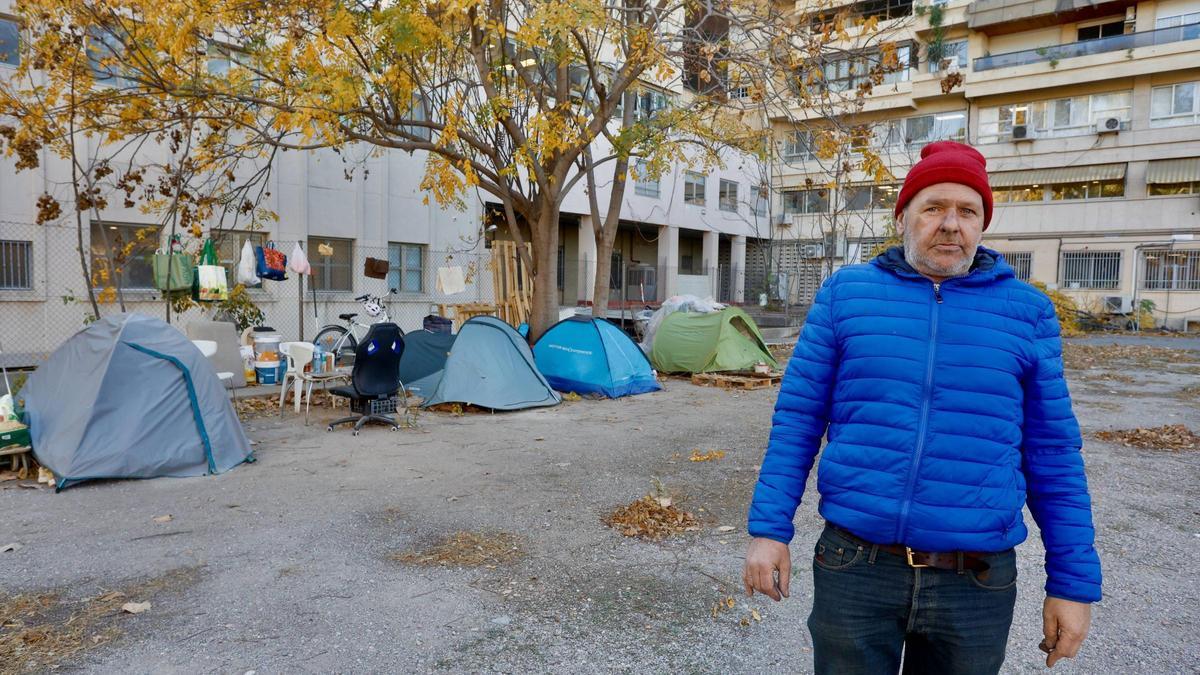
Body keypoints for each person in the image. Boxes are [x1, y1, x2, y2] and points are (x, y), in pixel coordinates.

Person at [743, 141, 1101, 674]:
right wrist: (770, 531)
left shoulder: (1026, 313)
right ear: (903, 215)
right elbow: (797, 419)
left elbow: (1053, 453)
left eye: (967, 210)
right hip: (856, 567)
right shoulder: (847, 295)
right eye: (933, 207)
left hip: (976, 581)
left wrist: (1072, 584)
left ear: (982, 223)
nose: (950, 224)